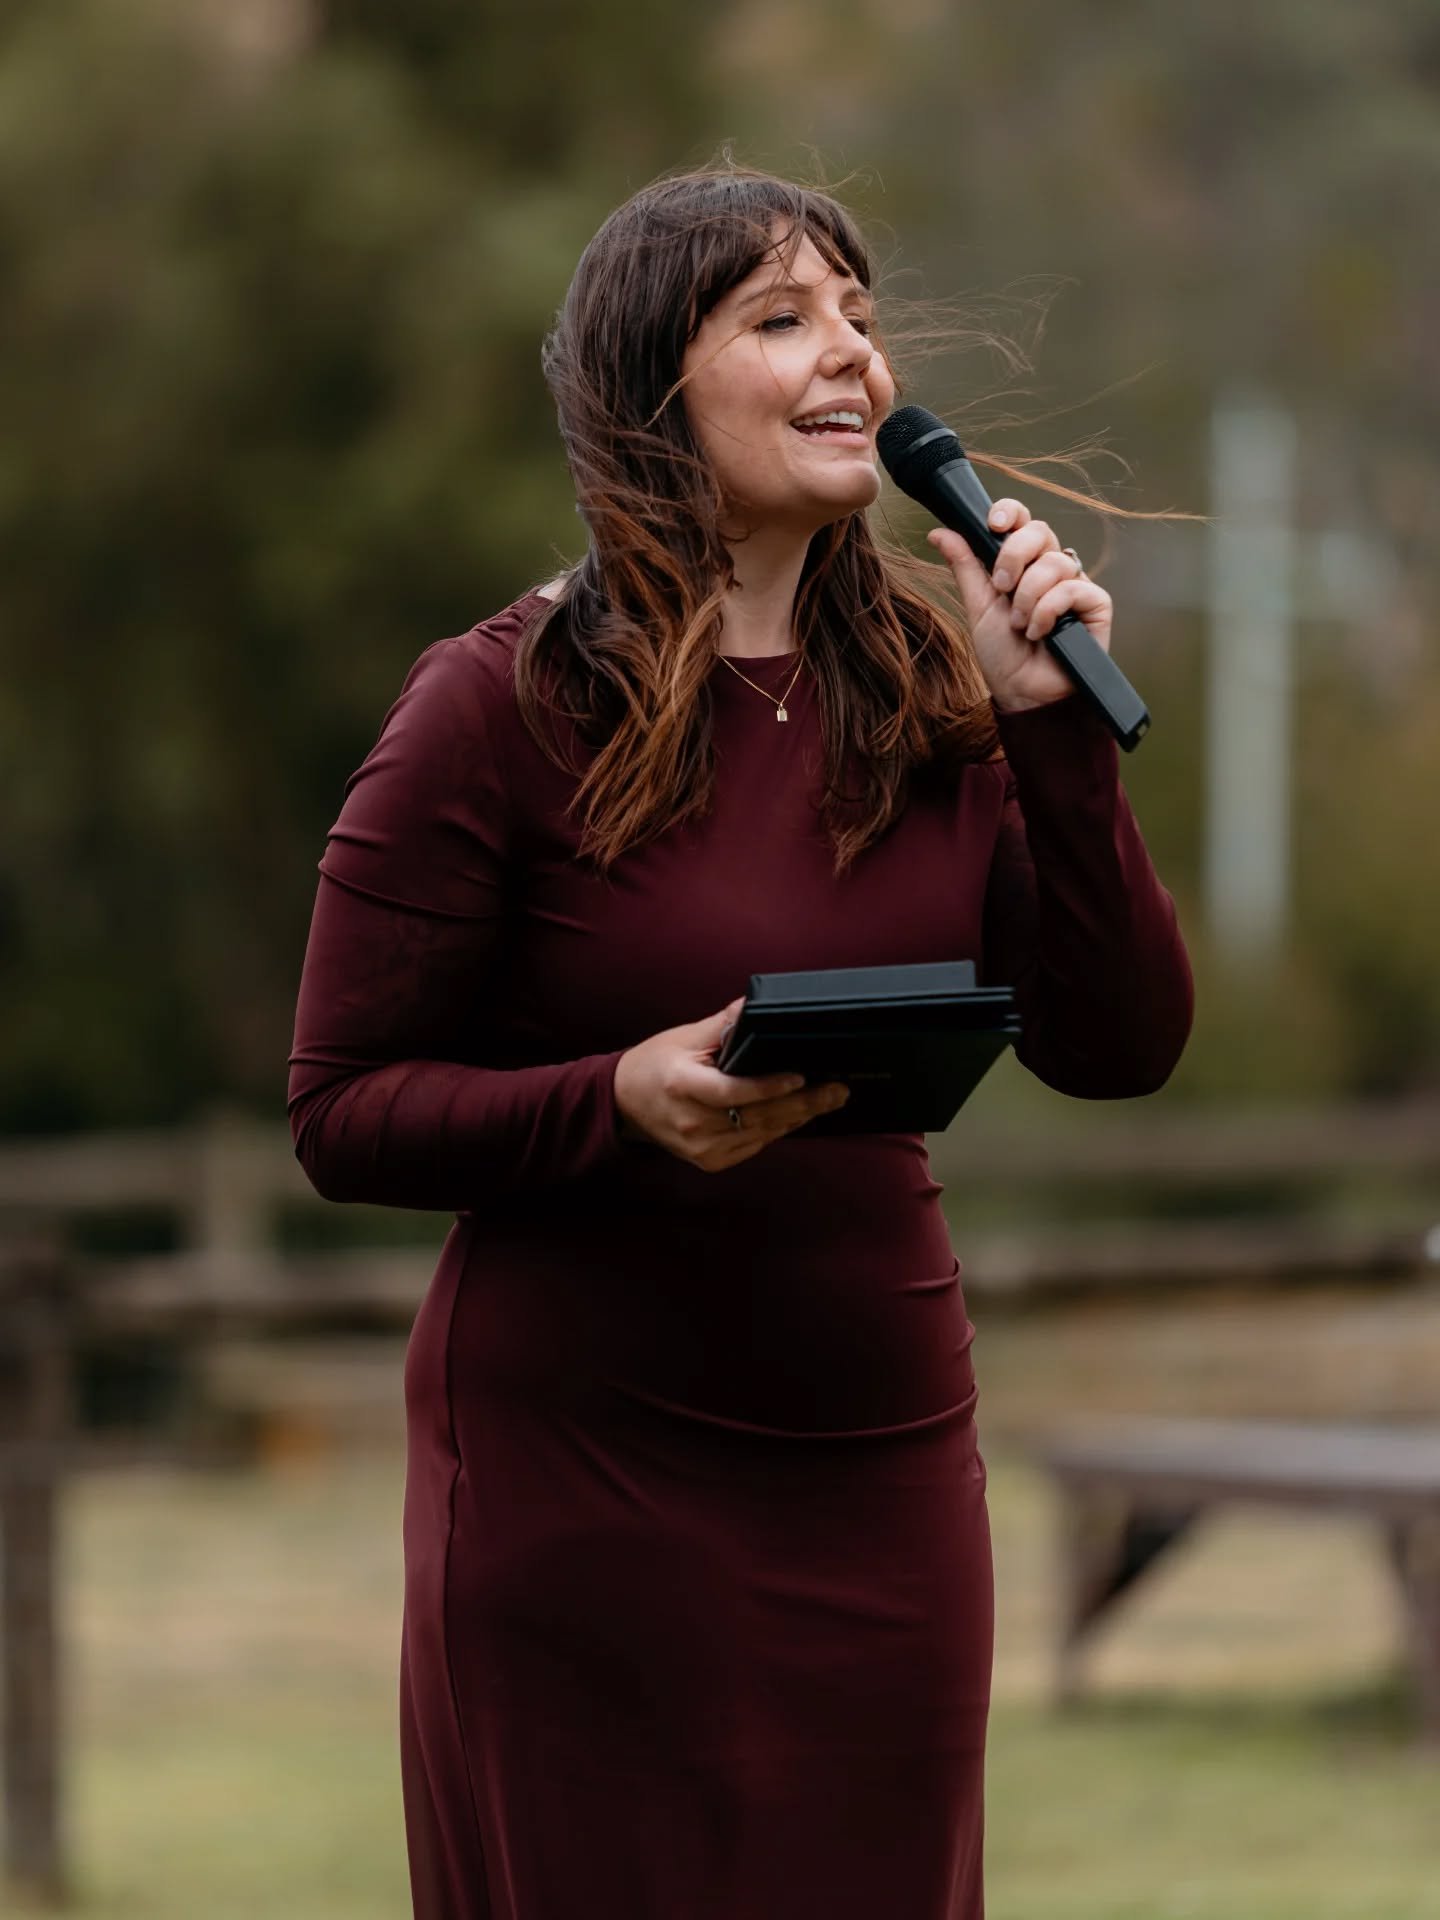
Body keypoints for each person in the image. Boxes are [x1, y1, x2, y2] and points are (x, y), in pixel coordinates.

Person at [288, 163, 1193, 1920]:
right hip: (586, 1492)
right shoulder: (495, 704)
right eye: (781, 319)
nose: (848, 353)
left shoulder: (936, 710)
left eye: (858, 315)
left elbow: (1121, 1046)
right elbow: (339, 1112)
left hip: (881, 1476)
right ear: (651, 394)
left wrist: (1055, 742)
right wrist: (609, 1104)